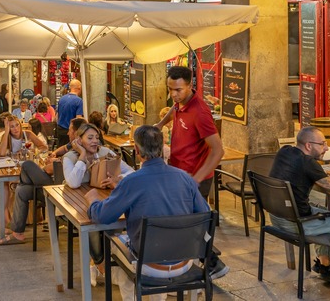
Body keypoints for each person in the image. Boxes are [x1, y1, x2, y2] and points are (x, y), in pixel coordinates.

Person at [86, 125, 210, 300]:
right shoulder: (185, 178)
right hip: (185, 261)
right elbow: (204, 215)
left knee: (115, 245)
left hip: (149, 265)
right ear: (163, 146)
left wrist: (92, 201)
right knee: (143, 246)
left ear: (137, 150)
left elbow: (103, 216)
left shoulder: (131, 182)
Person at [154, 65, 228, 279]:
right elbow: (173, 109)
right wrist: (159, 124)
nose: (173, 95)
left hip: (195, 178)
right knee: (188, 222)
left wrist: (195, 179)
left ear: (191, 87)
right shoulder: (179, 103)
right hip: (180, 174)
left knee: (189, 224)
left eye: (178, 90)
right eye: (170, 89)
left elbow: (218, 150)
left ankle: (212, 263)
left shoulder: (200, 112)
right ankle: (208, 262)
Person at [270, 126, 330, 282]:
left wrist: (323, 173)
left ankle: (326, 264)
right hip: (296, 223)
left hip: (276, 217)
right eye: (322, 144)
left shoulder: (285, 151)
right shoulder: (308, 163)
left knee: (324, 212)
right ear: (308, 146)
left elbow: (299, 171)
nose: (326, 147)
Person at [63, 123, 135, 284]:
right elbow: (73, 182)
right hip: (78, 204)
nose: (95, 141)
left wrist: (117, 179)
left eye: (96, 137)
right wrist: (82, 156)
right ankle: (100, 263)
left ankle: (105, 266)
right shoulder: (69, 158)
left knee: (112, 221)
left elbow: (131, 172)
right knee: (93, 226)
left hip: (105, 200)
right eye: (90, 138)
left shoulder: (105, 152)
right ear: (79, 140)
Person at [57, 79, 84, 146]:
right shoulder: (79, 101)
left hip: (60, 131)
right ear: (79, 88)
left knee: (60, 151)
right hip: (70, 133)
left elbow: (56, 117)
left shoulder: (61, 99)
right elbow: (78, 119)